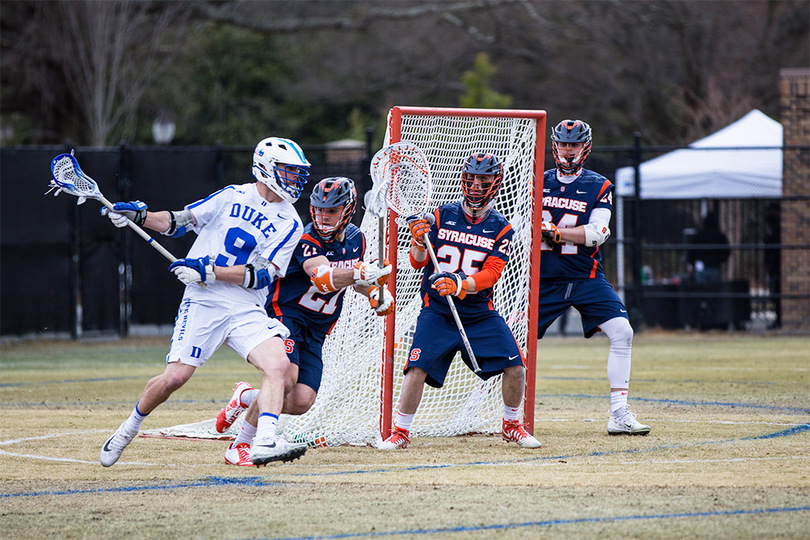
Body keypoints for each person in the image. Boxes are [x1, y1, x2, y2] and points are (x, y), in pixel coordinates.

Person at [98, 136, 319, 467]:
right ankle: (128, 429)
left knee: (278, 366)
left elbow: (262, 274)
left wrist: (210, 270)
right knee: (175, 378)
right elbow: (178, 222)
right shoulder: (232, 195)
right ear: (266, 168)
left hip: (245, 305)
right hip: (204, 301)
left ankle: (263, 442)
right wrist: (140, 215)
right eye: (288, 171)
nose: (295, 179)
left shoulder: (289, 222)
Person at [215, 176, 395, 466]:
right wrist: (361, 274)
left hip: (318, 328)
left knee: (301, 401)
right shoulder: (305, 238)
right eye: (320, 210)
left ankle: (247, 397)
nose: (324, 217)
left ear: (347, 210)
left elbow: (354, 282)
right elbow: (323, 279)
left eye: (332, 211)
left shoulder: (356, 239)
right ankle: (241, 445)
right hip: (287, 316)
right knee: (284, 377)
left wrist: (374, 293)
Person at [378, 152, 541, 450]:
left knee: (516, 366)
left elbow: (492, 274)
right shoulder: (441, 215)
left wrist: (460, 283)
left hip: (478, 313)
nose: (477, 185)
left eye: (484, 179)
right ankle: (400, 431)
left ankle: (511, 424)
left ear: (496, 182)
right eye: (472, 178)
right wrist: (417, 241)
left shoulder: (501, 228)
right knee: (416, 368)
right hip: (437, 312)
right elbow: (418, 263)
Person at [537, 119, 650, 435]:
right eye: (563, 143)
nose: (567, 150)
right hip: (544, 279)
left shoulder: (598, 185)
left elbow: (598, 232)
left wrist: (557, 233)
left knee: (622, 331)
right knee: (511, 342)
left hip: (585, 276)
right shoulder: (537, 182)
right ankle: (492, 412)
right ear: (555, 145)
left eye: (573, 144)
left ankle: (619, 413)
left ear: (585, 147)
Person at [686, 211, 730, 284]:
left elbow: (691, 252)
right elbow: (726, 251)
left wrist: (693, 263)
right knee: (713, 291)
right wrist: (719, 260)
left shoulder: (698, 236)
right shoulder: (719, 236)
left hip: (701, 268)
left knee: (701, 290)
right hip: (714, 267)